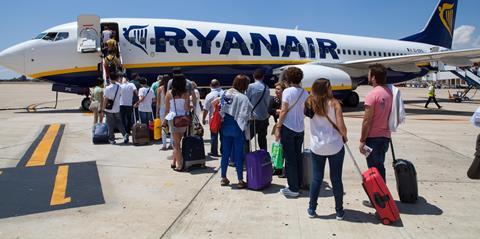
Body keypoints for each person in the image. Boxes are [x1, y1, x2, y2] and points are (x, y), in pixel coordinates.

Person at [304, 79, 348, 220]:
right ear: (327, 88)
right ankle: (339, 211)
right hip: (334, 145)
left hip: (317, 146)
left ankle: (312, 208)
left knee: (317, 178)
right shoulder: (334, 103)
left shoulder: (310, 102)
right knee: (336, 179)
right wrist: (344, 135)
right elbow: (342, 128)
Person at [274, 67, 309, 197]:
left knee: (289, 159)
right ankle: (298, 183)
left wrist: (278, 126)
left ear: (288, 78)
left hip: (288, 127)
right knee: (297, 157)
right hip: (300, 128)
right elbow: (305, 111)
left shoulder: (287, 91)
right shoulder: (305, 93)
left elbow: (283, 111)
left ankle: (293, 188)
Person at [359, 64, 393, 182]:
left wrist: (362, 140)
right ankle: (382, 197)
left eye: (369, 74)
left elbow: (367, 120)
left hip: (373, 139)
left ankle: (380, 197)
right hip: (385, 137)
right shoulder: (389, 93)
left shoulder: (372, 95)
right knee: (380, 167)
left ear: (373, 77)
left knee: (374, 170)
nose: (367, 76)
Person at [219, 75, 253, 189]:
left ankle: (223, 177)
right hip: (237, 128)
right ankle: (240, 180)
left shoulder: (225, 93)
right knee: (238, 154)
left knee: (225, 153)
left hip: (225, 127)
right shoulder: (243, 97)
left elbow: (220, 109)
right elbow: (246, 114)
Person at [164, 72, 191, 171]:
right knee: (178, 141)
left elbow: (167, 109)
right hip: (183, 119)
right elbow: (187, 108)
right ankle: (174, 162)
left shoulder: (169, 93)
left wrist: (165, 120)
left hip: (173, 119)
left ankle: (179, 165)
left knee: (176, 144)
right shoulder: (186, 93)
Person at [246, 68, 271, 150]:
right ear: (263, 77)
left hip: (253, 117)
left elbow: (247, 100)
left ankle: (246, 159)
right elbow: (267, 102)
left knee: (247, 139)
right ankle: (264, 158)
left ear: (253, 76)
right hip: (264, 117)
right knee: (262, 139)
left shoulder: (250, 86)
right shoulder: (266, 87)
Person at [102, 72, 129, 144]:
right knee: (119, 122)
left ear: (110, 78)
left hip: (109, 109)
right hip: (117, 107)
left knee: (110, 124)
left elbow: (105, 99)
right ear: (117, 78)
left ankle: (112, 139)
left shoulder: (108, 88)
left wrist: (103, 108)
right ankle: (125, 134)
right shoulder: (120, 86)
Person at [203, 79, 224, 157]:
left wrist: (203, 119)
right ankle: (223, 151)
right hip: (223, 118)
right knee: (223, 136)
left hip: (213, 118)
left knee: (214, 135)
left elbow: (205, 109)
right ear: (219, 84)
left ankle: (214, 152)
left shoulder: (209, 95)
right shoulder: (224, 93)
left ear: (210, 85)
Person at [156, 74, 172, 150]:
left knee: (163, 127)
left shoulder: (159, 89)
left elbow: (158, 102)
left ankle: (164, 145)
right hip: (170, 109)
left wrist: (157, 112)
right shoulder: (171, 90)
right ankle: (171, 144)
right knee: (171, 127)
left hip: (162, 109)